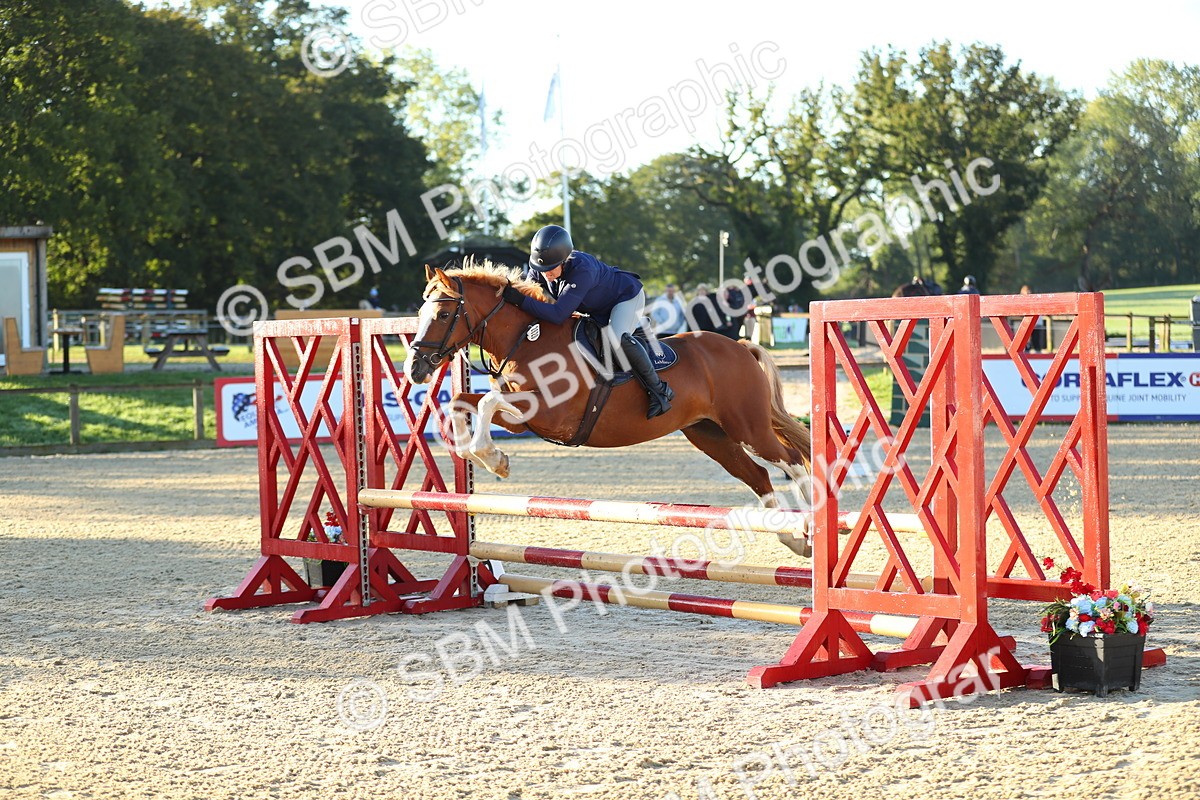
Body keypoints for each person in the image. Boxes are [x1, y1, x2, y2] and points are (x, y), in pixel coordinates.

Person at [501, 225, 674, 418]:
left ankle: (659, 390)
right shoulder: (541, 267)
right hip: (596, 310)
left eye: (550, 269)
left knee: (616, 338)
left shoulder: (582, 269)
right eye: (541, 269)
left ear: (564, 260)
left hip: (625, 298)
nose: (546, 274)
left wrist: (521, 300)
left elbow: (558, 314)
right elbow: (530, 294)